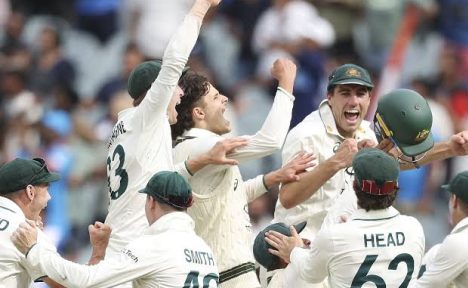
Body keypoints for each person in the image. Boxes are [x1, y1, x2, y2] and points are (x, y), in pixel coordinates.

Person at [103, 0, 247, 281]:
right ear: (155, 92)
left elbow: (151, 178)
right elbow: (174, 60)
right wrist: (201, 8)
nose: (180, 95)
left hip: (124, 241)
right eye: (175, 88)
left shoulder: (127, 126)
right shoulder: (147, 116)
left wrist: (199, 162)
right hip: (137, 243)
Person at [273, 64, 468, 240]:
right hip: (298, 250)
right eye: (345, 93)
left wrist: (448, 148)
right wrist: (335, 163)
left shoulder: (366, 130)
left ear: (370, 99)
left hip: (342, 249)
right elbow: (288, 198)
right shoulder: (306, 135)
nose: (353, 101)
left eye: (360, 93)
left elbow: (394, 161)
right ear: (329, 97)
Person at [171, 57, 299, 287]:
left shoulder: (187, 148)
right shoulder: (204, 145)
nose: (225, 99)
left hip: (215, 273)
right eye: (215, 97)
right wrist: (286, 84)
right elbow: (270, 140)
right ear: (199, 113)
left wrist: (271, 178)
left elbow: (226, 197)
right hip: (232, 274)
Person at [12, 171, 220, 287]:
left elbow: (86, 281)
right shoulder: (205, 249)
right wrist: (100, 251)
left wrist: (34, 249)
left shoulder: (153, 246)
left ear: (151, 202)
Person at [265, 148, 425, 287]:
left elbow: (310, 273)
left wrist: (294, 250)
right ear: (395, 188)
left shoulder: (335, 236)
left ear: (355, 186)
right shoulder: (414, 228)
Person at [0, 157, 109, 288]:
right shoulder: (26, 234)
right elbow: (79, 285)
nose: (49, 197)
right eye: (47, 189)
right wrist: (99, 251)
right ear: (30, 192)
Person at [253, 221, 321, 288]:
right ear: (282, 256)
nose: (307, 241)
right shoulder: (290, 278)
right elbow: (311, 266)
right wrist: (297, 249)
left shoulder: (279, 278)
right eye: (294, 241)